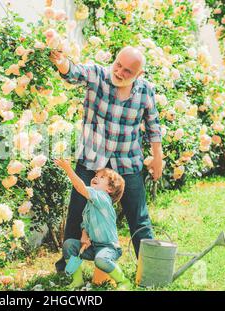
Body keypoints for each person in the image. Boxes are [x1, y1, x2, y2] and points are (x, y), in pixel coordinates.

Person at [50, 46, 163, 272]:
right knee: (76, 215)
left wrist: (157, 157)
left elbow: (153, 125)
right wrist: (62, 63)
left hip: (127, 161)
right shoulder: (98, 75)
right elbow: (73, 72)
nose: (119, 72)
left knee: (139, 218)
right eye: (118, 65)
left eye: (128, 71)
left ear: (139, 75)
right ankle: (68, 268)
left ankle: (152, 272)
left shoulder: (145, 91)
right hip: (92, 160)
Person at [54, 158, 129, 289]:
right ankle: (77, 281)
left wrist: (67, 168)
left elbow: (80, 187)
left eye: (101, 177)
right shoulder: (90, 204)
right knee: (69, 245)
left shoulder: (103, 198)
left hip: (108, 248)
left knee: (101, 260)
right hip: (94, 247)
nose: (95, 178)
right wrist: (84, 235)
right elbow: (85, 223)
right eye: (95, 175)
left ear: (109, 189)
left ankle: (123, 281)